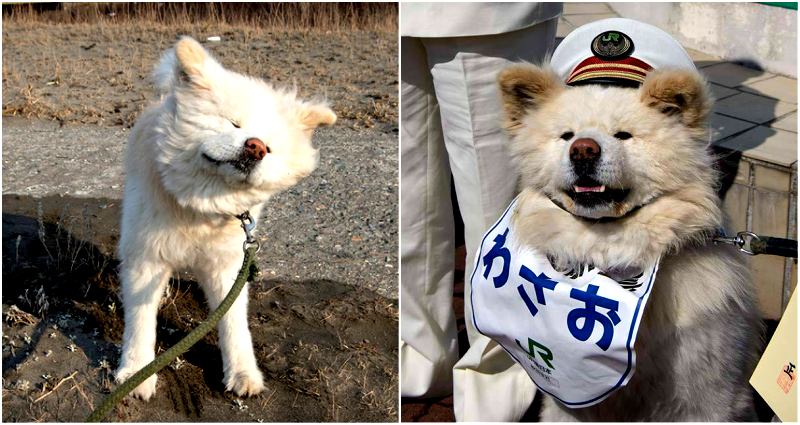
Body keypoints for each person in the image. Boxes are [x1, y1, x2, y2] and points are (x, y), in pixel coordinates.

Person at [399, 2, 562, 421]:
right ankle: (418, 355)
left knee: (497, 218)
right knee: (408, 201)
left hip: (486, 12)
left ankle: (498, 382)